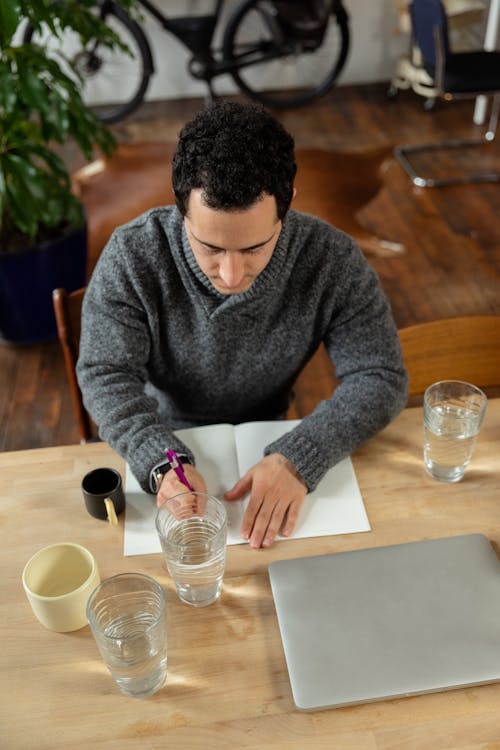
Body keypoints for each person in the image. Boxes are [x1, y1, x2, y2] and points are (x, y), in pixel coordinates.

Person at [77, 100, 408, 549]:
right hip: (166, 432)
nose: (231, 275)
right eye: (210, 246)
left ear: (285, 209)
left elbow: (380, 376)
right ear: (181, 212)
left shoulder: (332, 259)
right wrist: (162, 461)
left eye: (254, 247)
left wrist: (300, 457)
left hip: (276, 430)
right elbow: (104, 372)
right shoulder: (134, 255)